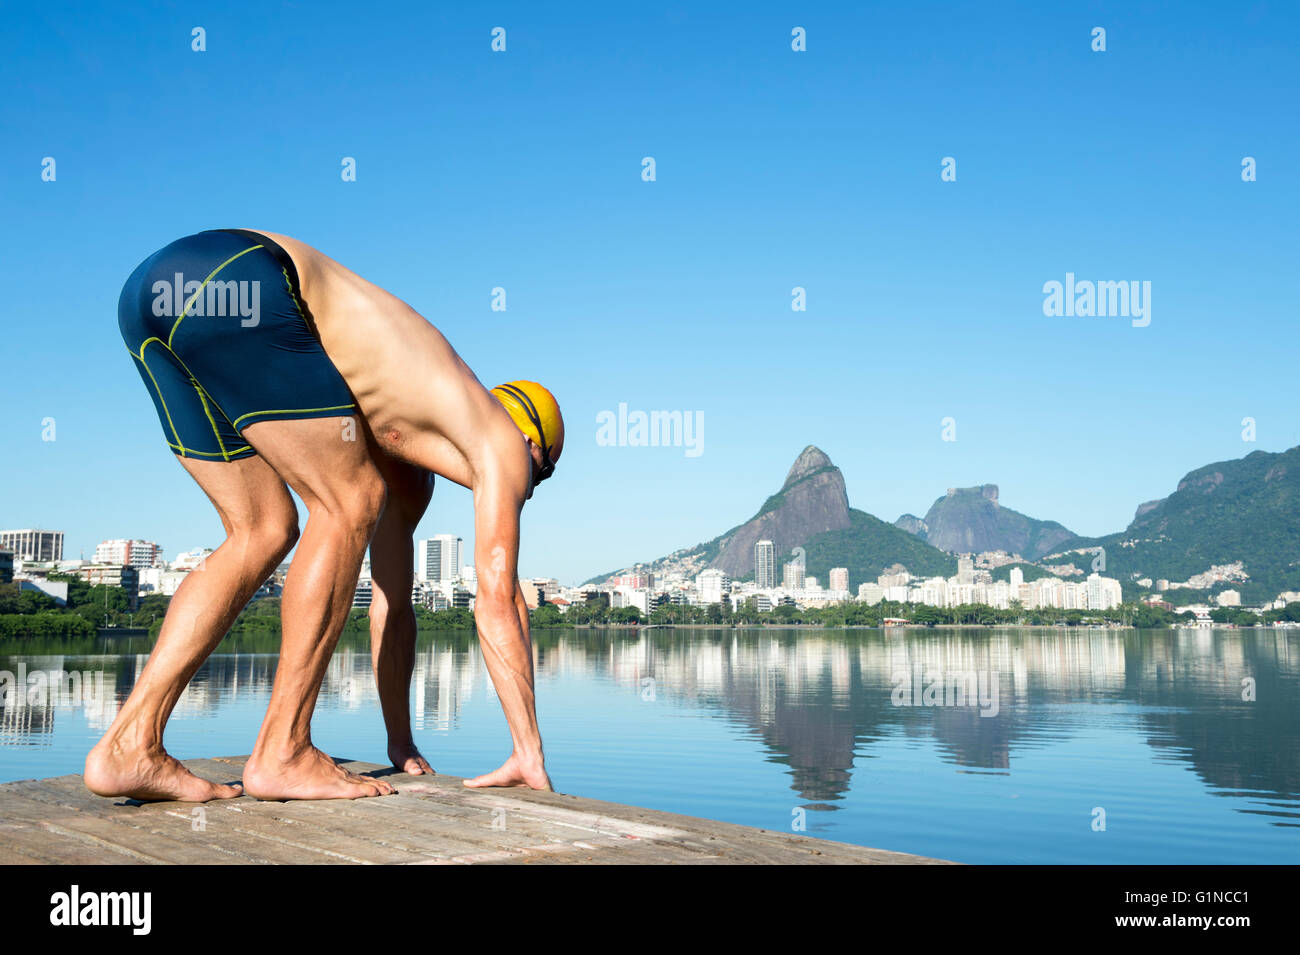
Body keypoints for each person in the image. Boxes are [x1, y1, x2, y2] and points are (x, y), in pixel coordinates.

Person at [85, 228, 561, 801]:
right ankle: (283, 752)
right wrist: (528, 751)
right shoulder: (501, 439)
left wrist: (400, 742)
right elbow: (499, 596)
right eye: (542, 476)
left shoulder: (401, 450)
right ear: (533, 444)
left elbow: (392, 605)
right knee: (346, 502)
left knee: (261, 529)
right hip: (240, 273)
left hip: (153, 292)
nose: (527, 491)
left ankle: (129, 746)